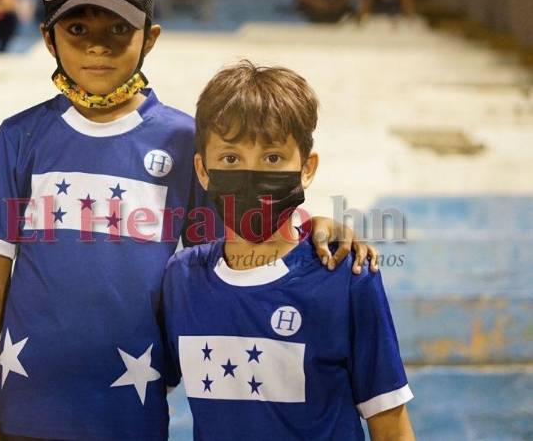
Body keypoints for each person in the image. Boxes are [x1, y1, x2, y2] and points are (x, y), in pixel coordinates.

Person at [0, 0, 381, 441]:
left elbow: (239, 242)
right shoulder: (20, 137)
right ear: (49, 38)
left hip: (130, 416)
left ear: (150, 37)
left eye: (118, 29)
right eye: (78, 29)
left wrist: (314, 227)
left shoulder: (184, 141)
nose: (98, 47)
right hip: (25, 410)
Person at [161, 61, 415, 440]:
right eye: (231, 159)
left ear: (307, 168)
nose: (251, 176)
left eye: (272, 158)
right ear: (202, 170)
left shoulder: (346, 274)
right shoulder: (181, 279)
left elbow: (392, 428)